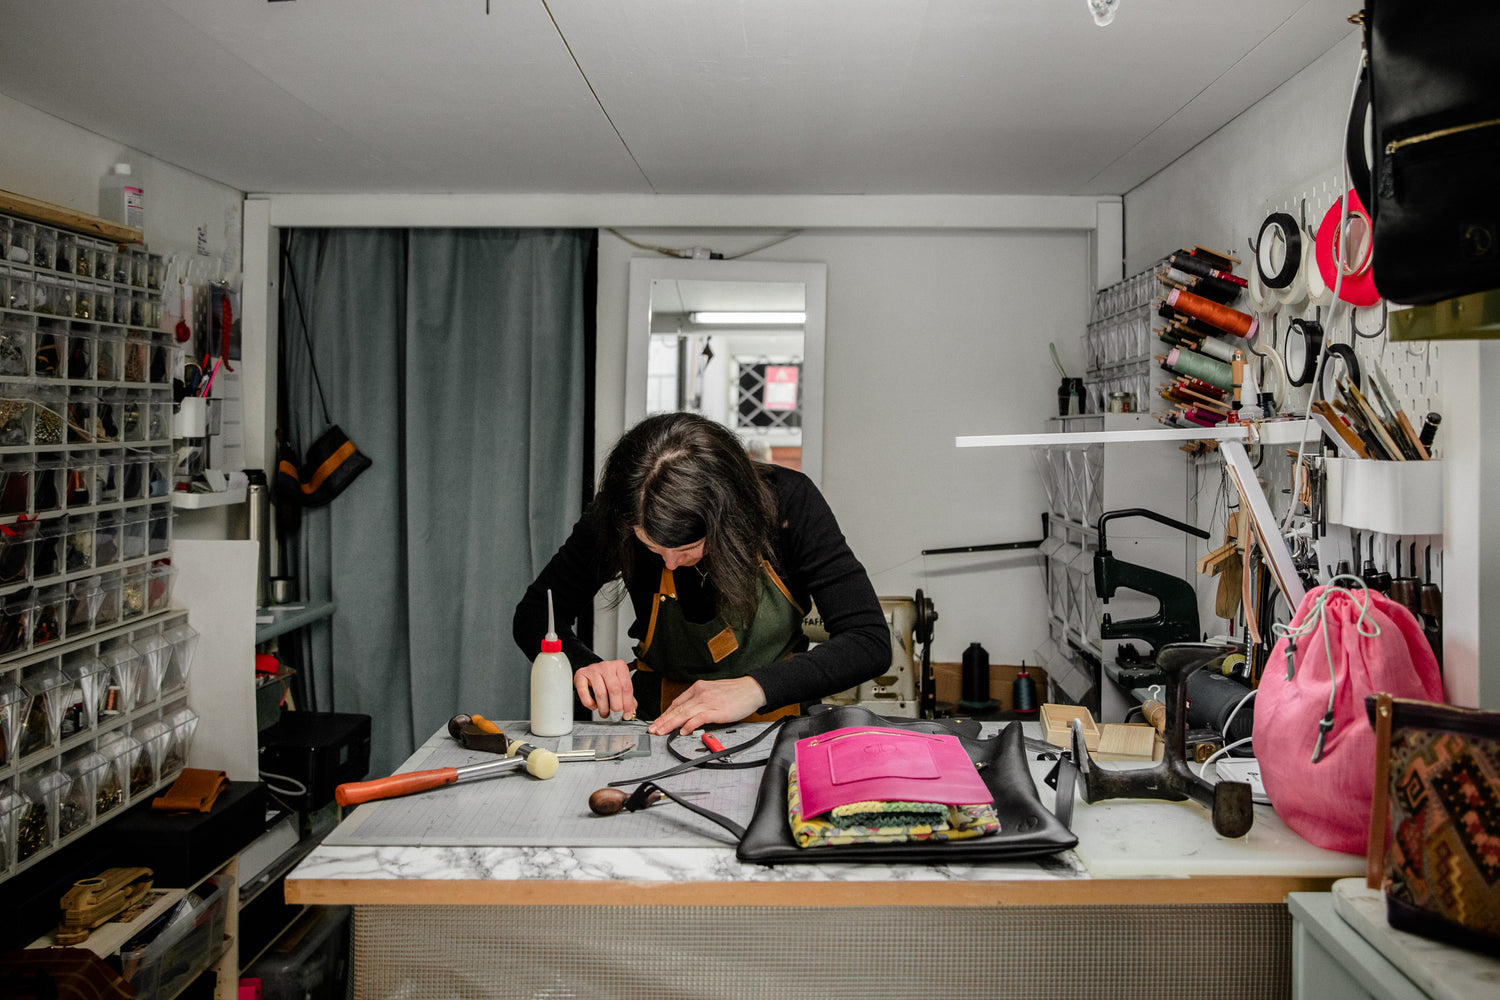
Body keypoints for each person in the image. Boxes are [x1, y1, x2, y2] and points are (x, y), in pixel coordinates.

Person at [514, 412, 889, 736]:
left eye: (687, 549)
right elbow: (534, 615)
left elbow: (868, 640)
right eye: (652, 549)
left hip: (774, 728)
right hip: (657, 729)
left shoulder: (789, 504)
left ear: (728, 519)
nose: (671, 565)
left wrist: (755, 688)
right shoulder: (619, 513)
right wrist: (584, 664)